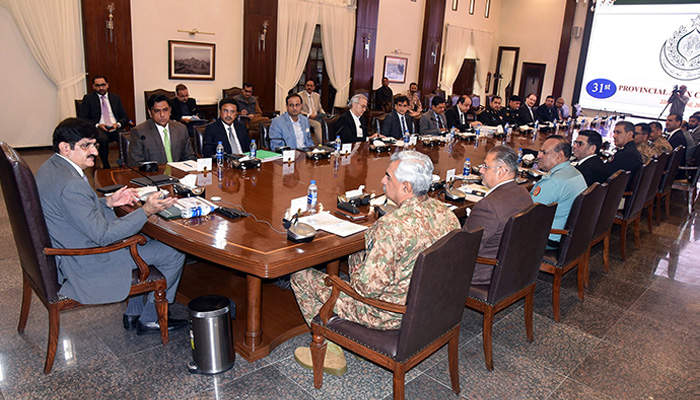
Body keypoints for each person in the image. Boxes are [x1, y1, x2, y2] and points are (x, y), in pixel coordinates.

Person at [290, 150, 460, 374]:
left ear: (406, 187)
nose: (382, 180)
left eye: (388, 177)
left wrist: (365, 253)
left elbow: (366, 290)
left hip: (387, 314)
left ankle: (331, 350)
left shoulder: (392, 226)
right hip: (429, 305)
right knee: (356, 256)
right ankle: (356, 344)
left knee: (300, 275)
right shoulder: (448, 215)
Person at [35, 118, 186, 334]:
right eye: (86, 145)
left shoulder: (50, 168)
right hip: (86, 260)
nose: (95, 152)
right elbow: (103, 236)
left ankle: (133, 312)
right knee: (173, 252)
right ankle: (151, 319)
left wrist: (107, 202)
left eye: (94, 145)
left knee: (143, 238)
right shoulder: (71, 184)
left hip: (69, 246)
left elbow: (71, 210)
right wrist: (146, 211)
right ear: (65, 147)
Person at [463, 146, 532, 285]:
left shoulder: (488, 206)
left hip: (486, 272)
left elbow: (465, 249)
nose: (481, 170)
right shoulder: (523, 192)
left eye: (485, 167)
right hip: (515, 265)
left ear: (501, 171)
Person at [530, 135, 587, 247]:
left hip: (549, 238)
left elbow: (528, 212)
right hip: (570, 235)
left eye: (544, 153)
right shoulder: (575, 173)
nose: (539, 156)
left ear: (559, 156)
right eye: (540, 151)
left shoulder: (553, 182)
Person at [78, 75, 130, 169]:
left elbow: (124, 117)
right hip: (98, 128)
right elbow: (82, 118)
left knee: (126, 138)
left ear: (107, 85)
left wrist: (117, 124)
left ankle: (123, 163)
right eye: (97, 85)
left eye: (103, 85)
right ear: (93, 86)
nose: (101, 88)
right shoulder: (88, 99)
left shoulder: (115, 98)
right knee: (103, 139)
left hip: (114, 127)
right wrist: (98, 125)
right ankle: (105, 164)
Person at [130, 95, 196, 165]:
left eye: (165, 110)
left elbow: (189, 156)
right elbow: (135, 163)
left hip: (180, 173)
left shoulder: (181, 129)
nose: (162, 114)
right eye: (157, 111)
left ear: (170, 110)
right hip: (154, 174)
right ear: (150, 112)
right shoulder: (139, 132)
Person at [605, 121, 643, 190]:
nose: (614, 136)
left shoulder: (626, 154)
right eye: (614, 132)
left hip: (614, 192)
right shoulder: (632, 150)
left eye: (618, 132)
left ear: (629, 134)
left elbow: (605, 173)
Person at [298, 80, 326, 145]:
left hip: (316, 116)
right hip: (306, 117)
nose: (309, 87)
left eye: (311, 86)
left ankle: (327, 141)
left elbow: (320, 108)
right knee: (317, 124)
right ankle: (321, 143)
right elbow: (299, 110)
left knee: (326, 122)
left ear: (314, 87)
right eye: (307, 85)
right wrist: (309, 115)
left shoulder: (317, 96)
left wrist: (323, 113)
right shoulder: (300, 96)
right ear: (305, 86)